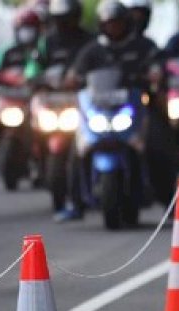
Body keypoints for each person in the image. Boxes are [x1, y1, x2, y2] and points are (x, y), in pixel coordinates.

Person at [63, 0, 163, 220]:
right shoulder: (92, 50)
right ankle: (74, 201)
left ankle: (168, 198)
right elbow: (75, 74)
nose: (113, 28)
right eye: (108, 24)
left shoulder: (143, 46)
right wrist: (71, 79)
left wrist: (154, 75)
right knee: (75, 150)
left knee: (158, 143)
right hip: (101, 113)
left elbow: (158, 67)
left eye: (117, 23)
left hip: (135, 111)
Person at [29, 0, 95, 81]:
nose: (63, 24)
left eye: (67, 19)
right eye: (59, 19)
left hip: (83, 89)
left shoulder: (90, 41)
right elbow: (33, 71)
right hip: (53, 91)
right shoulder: (46, 41)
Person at [0, 8, 43, 76]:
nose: (27, 32)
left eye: (30, 28)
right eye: (23, 28)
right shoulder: (7, 51)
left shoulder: (42, 49)